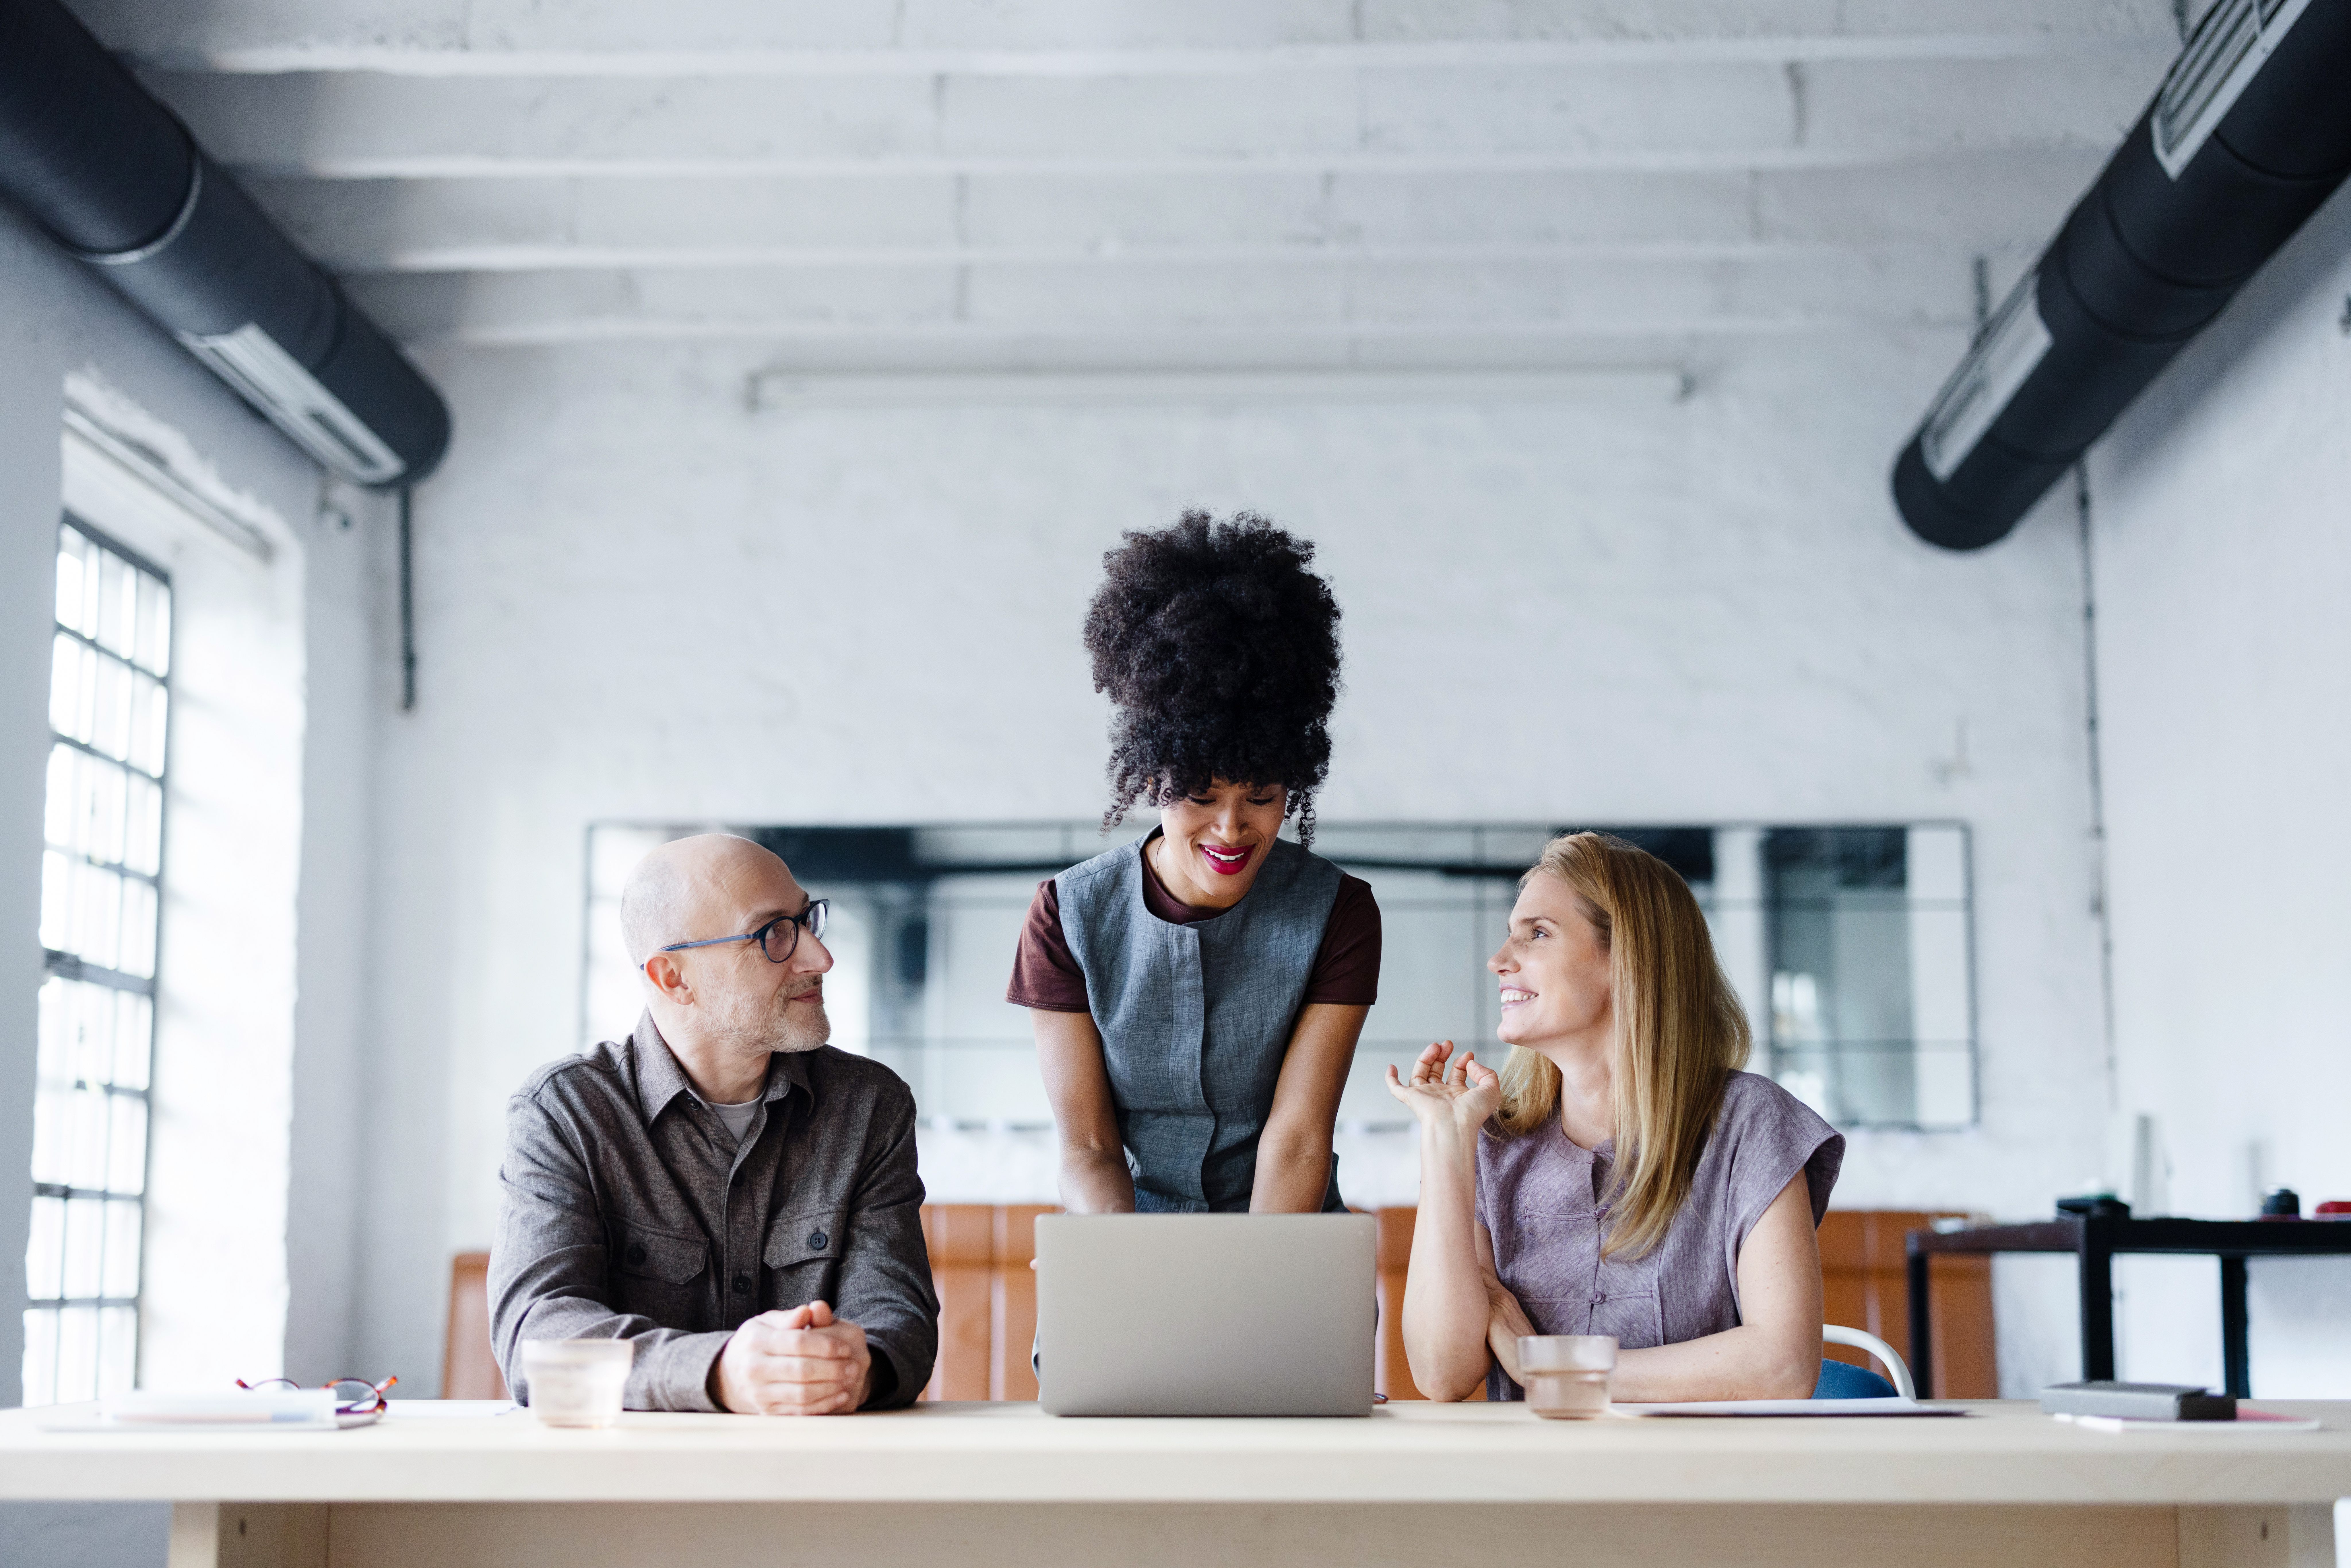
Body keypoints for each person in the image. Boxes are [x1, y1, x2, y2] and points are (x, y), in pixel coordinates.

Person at [1385, 832, 1843, 1402]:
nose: (1499, 960)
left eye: (1538, 933)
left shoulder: (1750, 1122)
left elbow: (1783, 1366)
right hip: (1533, 1486)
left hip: (1702, 1484)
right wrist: (1445, 1140)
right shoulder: (1489, 1138)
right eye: (1511, 934)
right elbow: (1441, 1372)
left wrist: (1550, 1368)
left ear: (1626, 958)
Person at [1009, 512, 1381, 1214]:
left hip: (1282, 1233)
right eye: (1200, 796)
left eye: (1263, 796)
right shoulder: (1067, 914)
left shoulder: (1339, 912)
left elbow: (1298, 1139)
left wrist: (1249, 1285)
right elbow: (1087, 1146)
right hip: (1121, 1234)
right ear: (1151, 779)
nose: (1232, 826)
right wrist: (1129, 1261)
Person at [489, 834, 937, 1414]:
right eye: (773, 933)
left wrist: (860, 1366)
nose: (819, 958)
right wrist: (720, 1371)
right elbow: (536, 1334)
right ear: (673, 977)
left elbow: (896, 1318)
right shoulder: (564, 1113)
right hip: (621, 1488)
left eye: (807, 920)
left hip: (819, 1480)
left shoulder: (871, 1105)